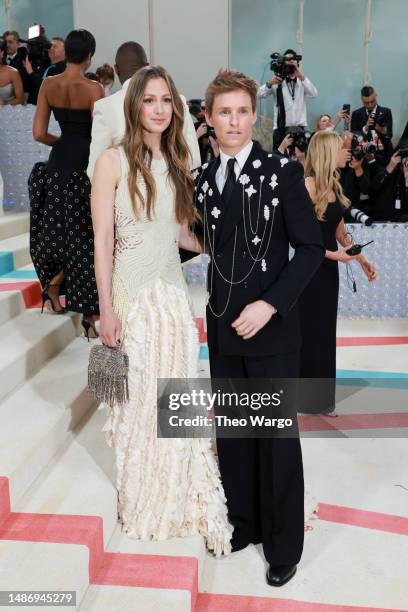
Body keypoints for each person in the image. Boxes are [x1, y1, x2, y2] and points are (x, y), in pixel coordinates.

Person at [91, 65, 232, 555]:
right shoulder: (111, 162)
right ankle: (147, 494)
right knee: (141, 406)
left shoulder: (174, 161)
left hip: (172, 297)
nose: (157, 109)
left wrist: (226, 246)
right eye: (149, 100)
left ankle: (178, 491)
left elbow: (176, 233)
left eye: (165, 100)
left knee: (177, 401)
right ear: (134, 106)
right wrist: (105, 309)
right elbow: (103, 242)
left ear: (174, 107)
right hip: (134, 301)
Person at [193, 68, 324, 586]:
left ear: (255, 115)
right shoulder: (202, 178)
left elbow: (311, 249)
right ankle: (243, 523)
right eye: (224, 111)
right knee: (235, 433)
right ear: (209, 118)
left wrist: (270, 305)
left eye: (243, 111)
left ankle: (283, 544)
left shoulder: (281, 173)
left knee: (275, 437)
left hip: (270, 330)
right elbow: (206, 241)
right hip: (222, 325)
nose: (234, 121)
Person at [28, 29, 104, 336]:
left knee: (63, 233)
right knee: (86, 236)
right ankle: (89, 315)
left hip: (58, 163)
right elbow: (101, 136)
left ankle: (54, 287)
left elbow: (38, 134)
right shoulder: (95, 89)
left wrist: (62, 142)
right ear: (89, 56)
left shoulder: (48, 84)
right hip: (85, 165)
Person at [298, 131, 377, 413]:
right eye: (342, 148)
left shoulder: (334, 185)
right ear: (327, 152)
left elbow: (340, 232)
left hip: (329, 273)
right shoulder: (306, 187)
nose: (347, 153)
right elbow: (302, 242)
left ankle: (321, 401)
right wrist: (335, 256)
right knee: (310, 333)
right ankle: (305, 400)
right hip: (308, 274)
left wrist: (360, 257)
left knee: (324, 334)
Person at [87, 41, 200, 178]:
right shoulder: (178, 100)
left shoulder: (105, 107)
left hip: (125, 194)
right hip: (174, 192)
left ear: (116, 69)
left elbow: (95, 170)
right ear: (147, 67)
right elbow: (192, 161)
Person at [258, 48, 317, 149]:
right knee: (278, 161)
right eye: (287, 63)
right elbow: (258, 94)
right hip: (280, 130)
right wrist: (270, 83)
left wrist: (301, 76)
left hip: (300, 130)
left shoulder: (302, 82)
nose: (289, 66)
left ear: (297, 64)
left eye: (292, 63)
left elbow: (314, 94)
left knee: (299, 160)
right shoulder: (277, 81)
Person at [0, 38, 24, 105]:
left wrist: (4, 103)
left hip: (10, 112)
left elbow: (21, 99)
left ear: (2, 53)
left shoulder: (13, 72)